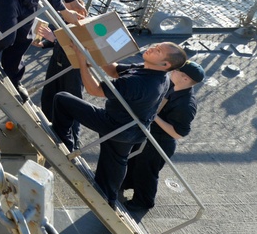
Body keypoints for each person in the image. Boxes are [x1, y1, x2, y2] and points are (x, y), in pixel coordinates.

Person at [51, 42, 188, 207]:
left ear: (165, 64)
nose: (152, 47)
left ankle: (64, 142)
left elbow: (94, 90)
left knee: (62, 99)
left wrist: (81, 60)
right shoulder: (154, 73)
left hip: (114, 124)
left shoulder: (140, 82)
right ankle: (107, 199)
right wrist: (91, 52)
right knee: (114, 160)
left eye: (158, 50)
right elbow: (114, 70)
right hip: (134, 130)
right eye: (157, 45)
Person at [121, 60, 204, 213]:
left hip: (161, 142)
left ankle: (143, 202)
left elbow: (178, 133)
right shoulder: (173, 86)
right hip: (150, 135)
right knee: (134, 162)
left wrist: (154, 116)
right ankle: (124, 183)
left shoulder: (186, 105)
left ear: (185, 78)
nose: (172, 71)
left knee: (146, 172)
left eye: (177, 70)